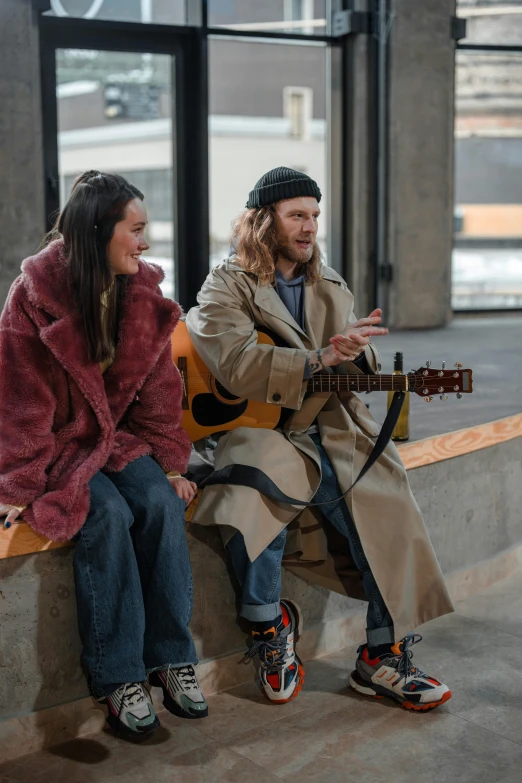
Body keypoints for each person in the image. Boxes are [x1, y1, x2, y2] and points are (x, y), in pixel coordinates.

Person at [186, 167, 454, 712]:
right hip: (257, 429)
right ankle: (268, 630)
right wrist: (319, 357)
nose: (309, 228)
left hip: (327, 426)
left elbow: (349, 352)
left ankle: (383, 654)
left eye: (314, 215)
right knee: (252, 493)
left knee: (383, 504)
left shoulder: (328, 282)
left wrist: (359, 352)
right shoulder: (224, 286)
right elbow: (235, 365)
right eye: (297, 216)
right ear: (264, 222)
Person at [0, 171, 208, 741]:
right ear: (98, 231)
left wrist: (170, 462)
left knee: (161, 505)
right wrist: (17, 486)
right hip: (59, 445)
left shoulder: (140, 293)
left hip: (116, 438)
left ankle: (170, 656)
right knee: (109, 516)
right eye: (136, 229)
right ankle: (119, 677)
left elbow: (161, 390)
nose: (144, 243)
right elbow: (20, 403)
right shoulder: (33, 298)